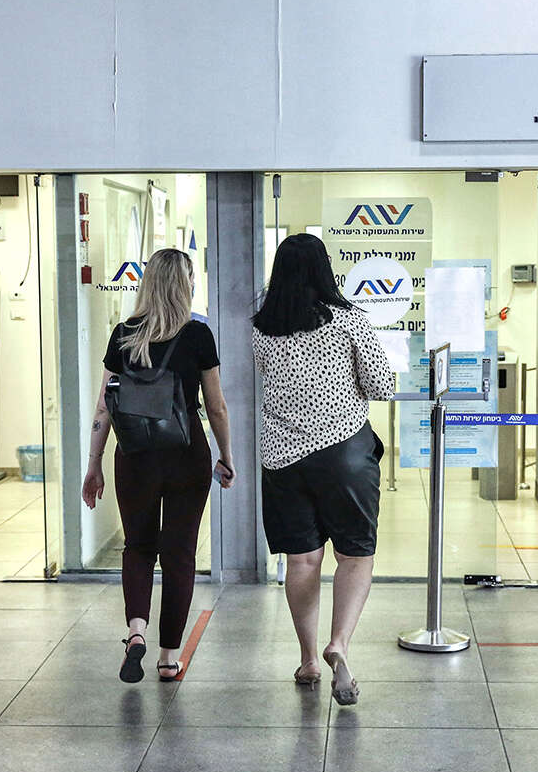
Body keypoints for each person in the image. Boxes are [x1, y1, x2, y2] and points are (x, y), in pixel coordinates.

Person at [252, 233, 394, 706]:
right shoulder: (349, 320)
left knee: (302, 560)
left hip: (283, 458)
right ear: (324, 268)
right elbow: (381, 385)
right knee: (354, 554)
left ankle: (309, 659)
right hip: (344, 453)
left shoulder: (262, 329)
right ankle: (340, 644)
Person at [81, 248, 234, 684]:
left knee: (138, 547)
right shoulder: (198, 335)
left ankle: (136, 632)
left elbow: (104, 406)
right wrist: (226, 455)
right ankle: (168, 658)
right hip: (186, 454)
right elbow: (216, 406)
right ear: (186, 284)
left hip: (135, 455)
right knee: (179, 553)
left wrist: (94, 464)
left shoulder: (123, 335)